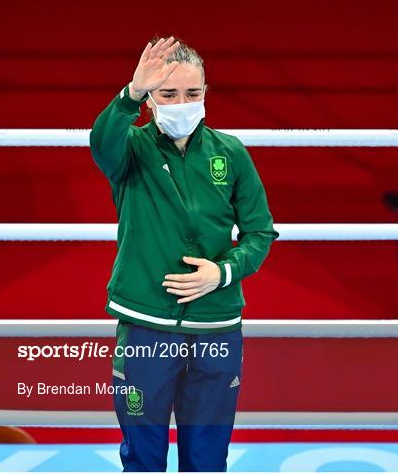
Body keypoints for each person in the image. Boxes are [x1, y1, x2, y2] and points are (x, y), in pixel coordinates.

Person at [89, 36, 279, 472]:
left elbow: (259, 232)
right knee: (142, 454)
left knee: (208, 458)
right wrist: (129, 95)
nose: (183, 102)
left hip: (217, 323)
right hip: (146, 321)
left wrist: (223, 273)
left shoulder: (230, 153)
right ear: (152, 100)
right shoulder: (130, 148)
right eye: (169, 94)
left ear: (206, 94)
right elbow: (101, 141)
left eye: (193, 93)